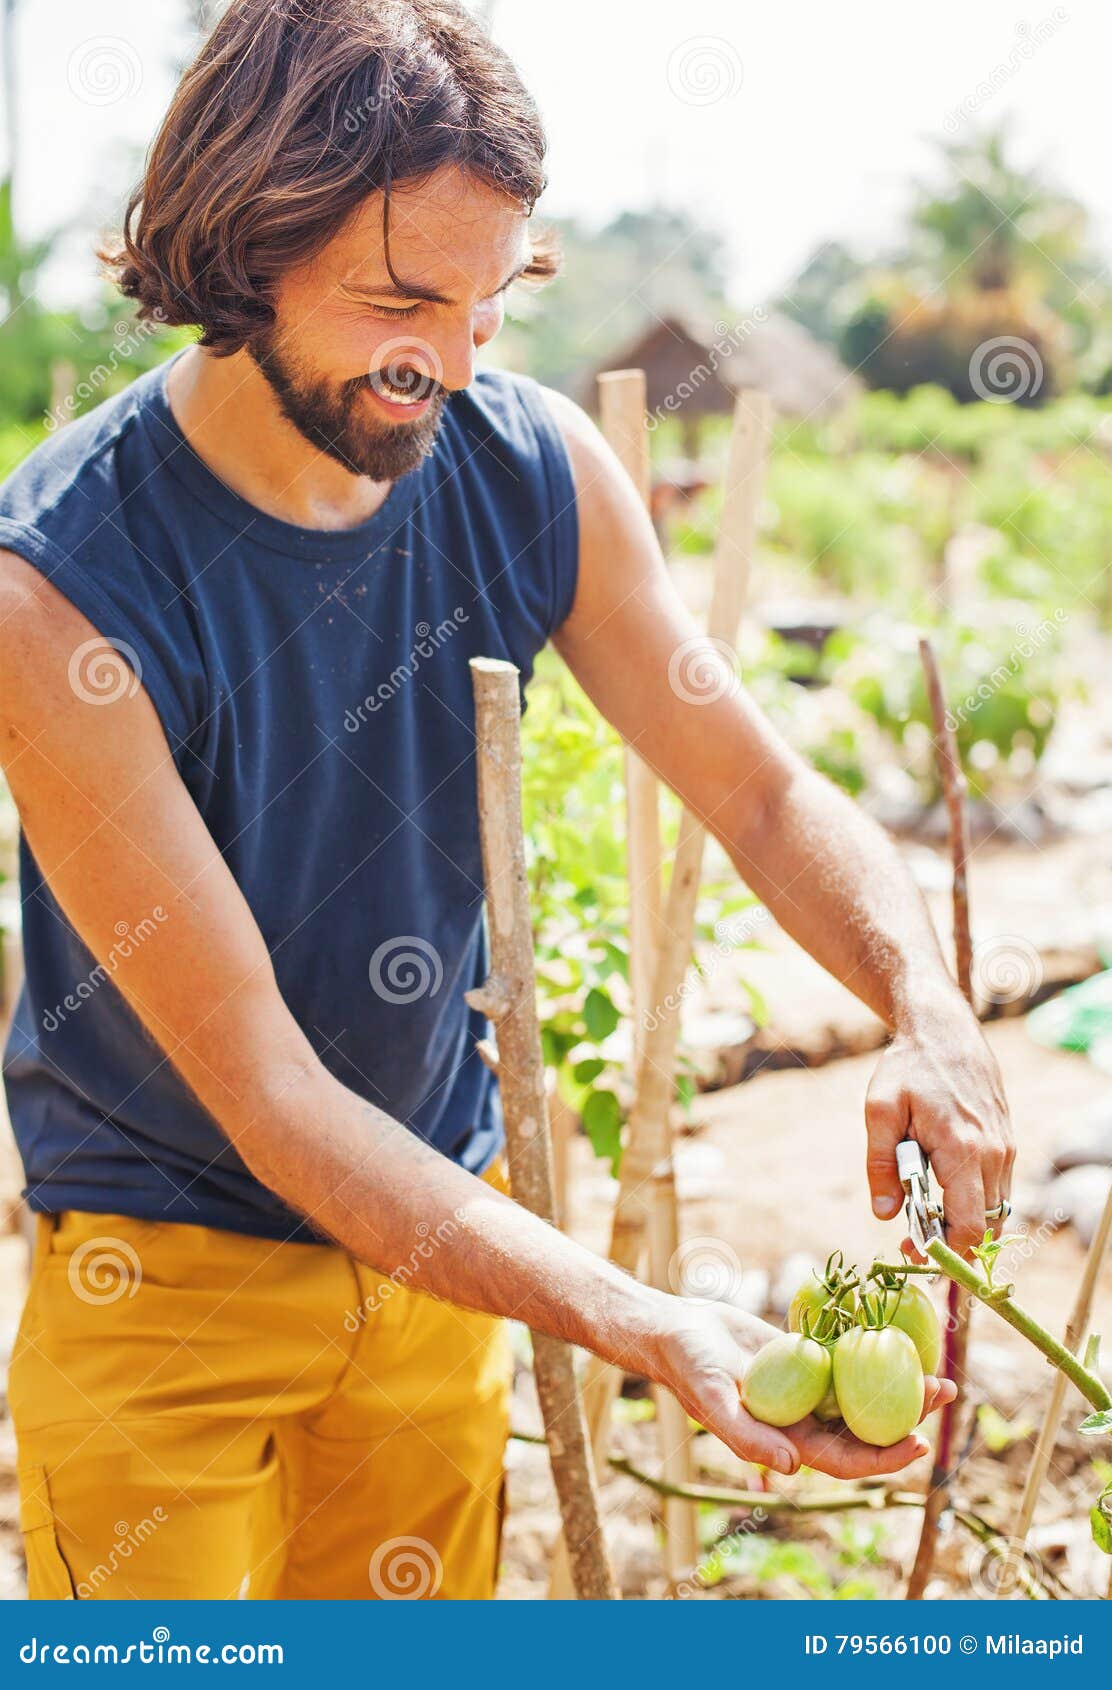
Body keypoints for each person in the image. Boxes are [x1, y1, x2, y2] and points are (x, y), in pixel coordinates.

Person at [0, 0, 1009, 1600]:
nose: (455, 366)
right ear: (247, 247)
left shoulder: (526, 465)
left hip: (443, 1271)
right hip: (168, 1295)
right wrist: (639, 1315)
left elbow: (754, 790)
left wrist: (924, 1000)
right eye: (404, 301)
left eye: (492, 305)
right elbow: (268, 1093)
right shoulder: (62, 590)